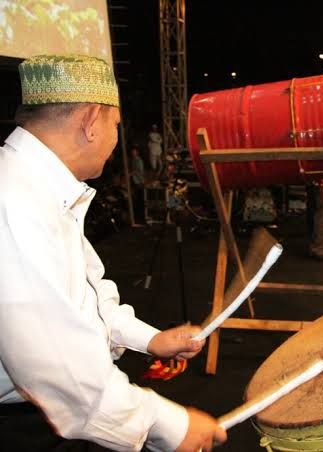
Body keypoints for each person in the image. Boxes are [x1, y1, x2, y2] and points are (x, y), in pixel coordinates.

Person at [0, 54, 226, 451]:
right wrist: (171, 424)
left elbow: (84, 294)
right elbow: (58, 367)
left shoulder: (39, 190)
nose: (115, 140)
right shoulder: (15, 202)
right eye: (115, 126)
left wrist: (150, 340)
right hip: (30, 427)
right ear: (90, 122)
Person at [130, 145, 146, 225]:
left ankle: (141, 217)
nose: (133, 152)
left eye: (134, 151)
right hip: (136, 181)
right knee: (137, 199)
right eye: (132, 151)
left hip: (139, 181)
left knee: (140, 199)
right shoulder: (133, 160)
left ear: (137, 152)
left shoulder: (138, 160)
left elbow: (139, 171)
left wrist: (132, 173)